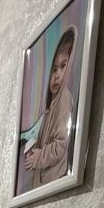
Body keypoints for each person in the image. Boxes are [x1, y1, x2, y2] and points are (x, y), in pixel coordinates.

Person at [24, 26, 77, 188]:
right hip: (44, 179)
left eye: (63, 66)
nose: (57, 75)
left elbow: (60, 145)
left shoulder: (64, 100)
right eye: (54, 69)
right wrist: (35, 149)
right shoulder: (52, 105)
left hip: (54, 178)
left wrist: (38, 157)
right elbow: (45, 139)